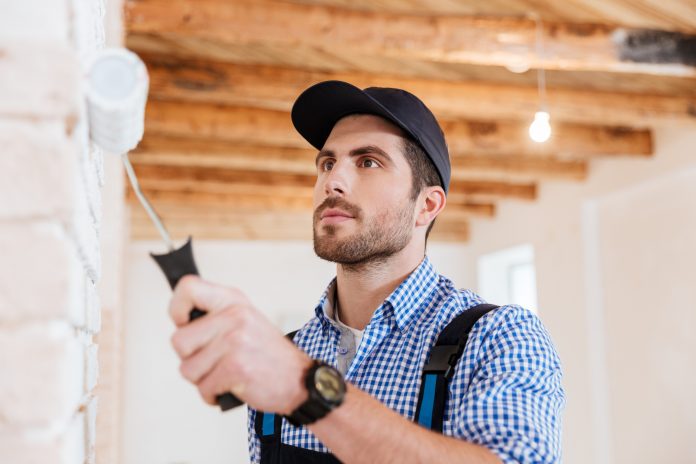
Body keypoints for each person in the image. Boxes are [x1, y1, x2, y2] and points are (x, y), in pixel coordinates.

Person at [167, 81, 565, 463]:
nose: (332, 181)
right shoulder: (287, 355)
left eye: (368, 161)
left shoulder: (499, 337)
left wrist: (303, 387)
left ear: (426, 206)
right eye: (327, 163)